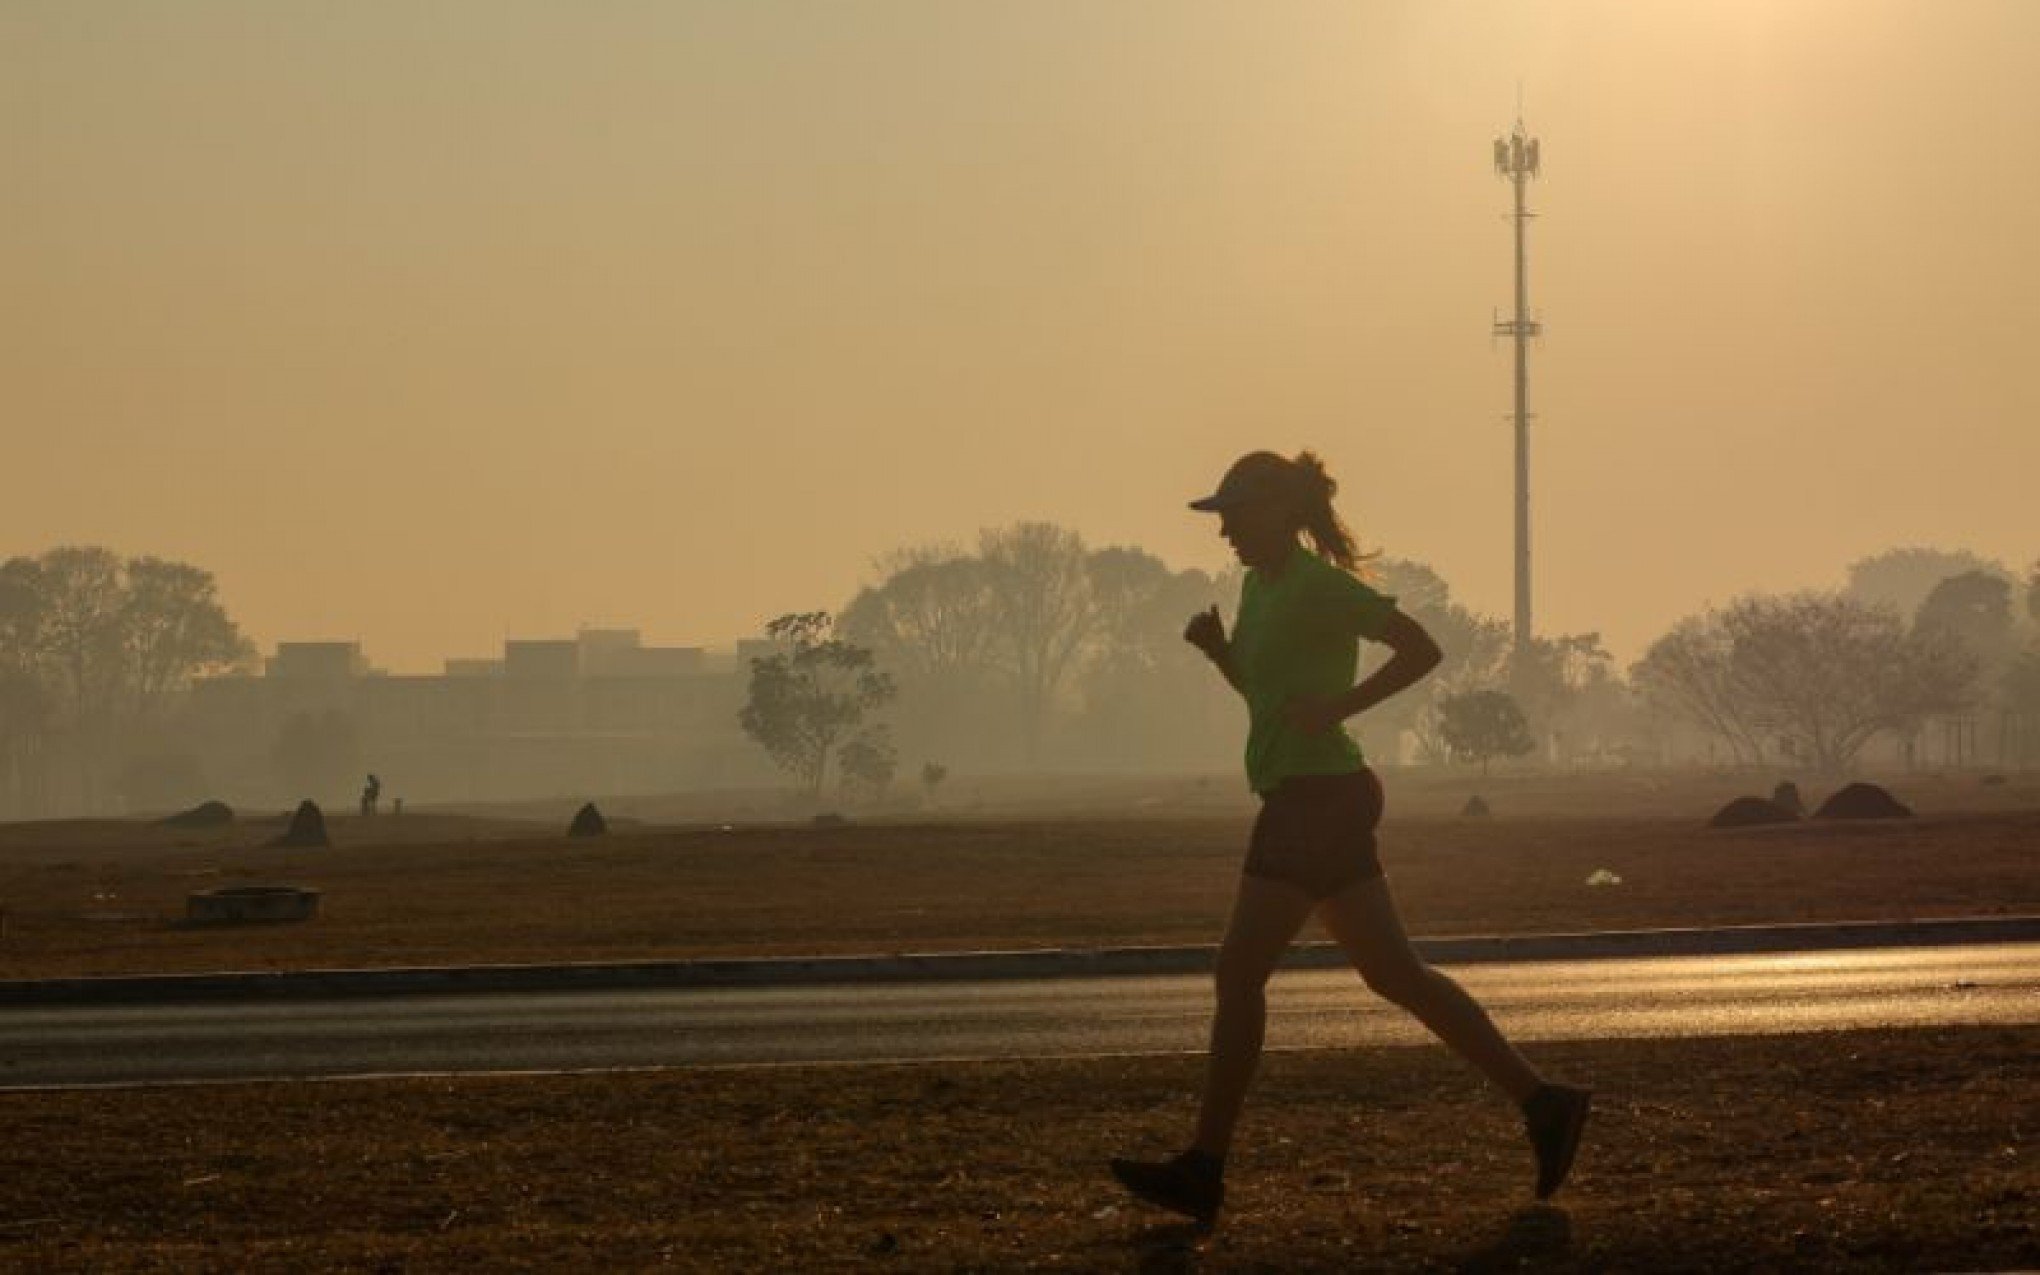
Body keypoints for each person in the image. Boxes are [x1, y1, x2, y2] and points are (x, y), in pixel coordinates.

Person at [1109, 449, 1590, 1226]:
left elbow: (1423, 648)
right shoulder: (1256, 590)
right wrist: (1221, 653)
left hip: (1315, 800)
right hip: (1313, 794)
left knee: (1238, 972)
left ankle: (1204, 1165)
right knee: (1396, 973)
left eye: (1233, 512)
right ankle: (1545, 1101)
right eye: (1219, 516)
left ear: (1277, 512)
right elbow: (1269, 697)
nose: (1223, 529)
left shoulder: (1318, 586)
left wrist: (1342, 708)